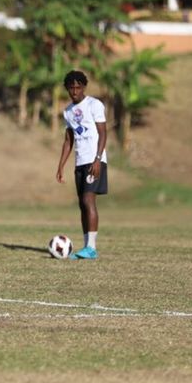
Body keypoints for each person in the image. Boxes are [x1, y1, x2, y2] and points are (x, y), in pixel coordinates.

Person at [55, 70, 108, 260]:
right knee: (82, 205)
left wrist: (97, 158)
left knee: (88, 201)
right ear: (67, 89)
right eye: (71, 88)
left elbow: (103, 133)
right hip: (80, 162)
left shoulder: (94, 105)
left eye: (78, 87)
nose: (75, 91)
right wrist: (61, 166)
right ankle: (86, 247)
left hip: (94, 161)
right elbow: (68, 140)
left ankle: (92, 248)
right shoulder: (68, 111)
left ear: (84, 87)